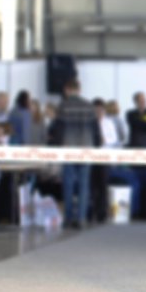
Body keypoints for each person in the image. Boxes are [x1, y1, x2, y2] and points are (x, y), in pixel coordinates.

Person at [48, 79, 101, 229]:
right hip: (86, 149)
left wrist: (55, 146)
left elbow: (57, 130)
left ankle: (68, 218)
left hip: (68, 149)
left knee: (69, 185)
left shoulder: (63, 106)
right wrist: (96, 146)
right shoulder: (89, 106)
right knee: (84, 185)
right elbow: (95, 130)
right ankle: (82, 218)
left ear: (67, 89)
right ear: (79, 89)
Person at [126, 91, 146, 220]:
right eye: (140, 100)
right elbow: (140, 124)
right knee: (136, 185)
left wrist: (145, 124)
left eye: (144, 100)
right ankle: (136, 213)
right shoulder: (131, 114)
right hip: (135, 156)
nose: (143, 102)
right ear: (136, 102)